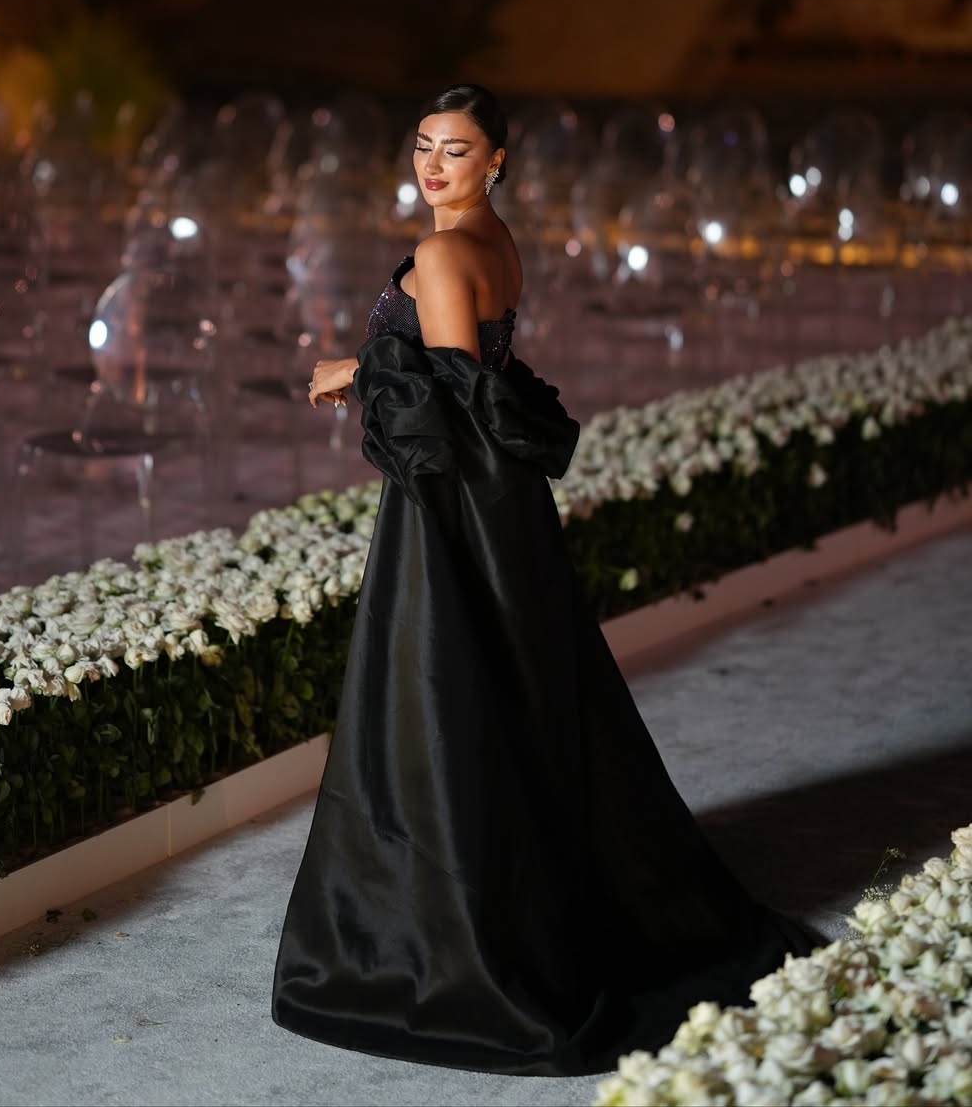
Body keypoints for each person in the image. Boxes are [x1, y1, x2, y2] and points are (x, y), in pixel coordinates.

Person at [271, 83, 815, 1077]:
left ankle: (463, 924)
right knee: (514, 685)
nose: (433, 166)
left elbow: (451, 403)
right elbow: (472, 368)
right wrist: (376, 361)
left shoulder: (443, 252)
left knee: (447, 693)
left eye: (457, 150)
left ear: (497, 160)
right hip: (501, 497)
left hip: (456, 506)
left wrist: (358, 371)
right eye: (424, 145)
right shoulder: (494, 238)